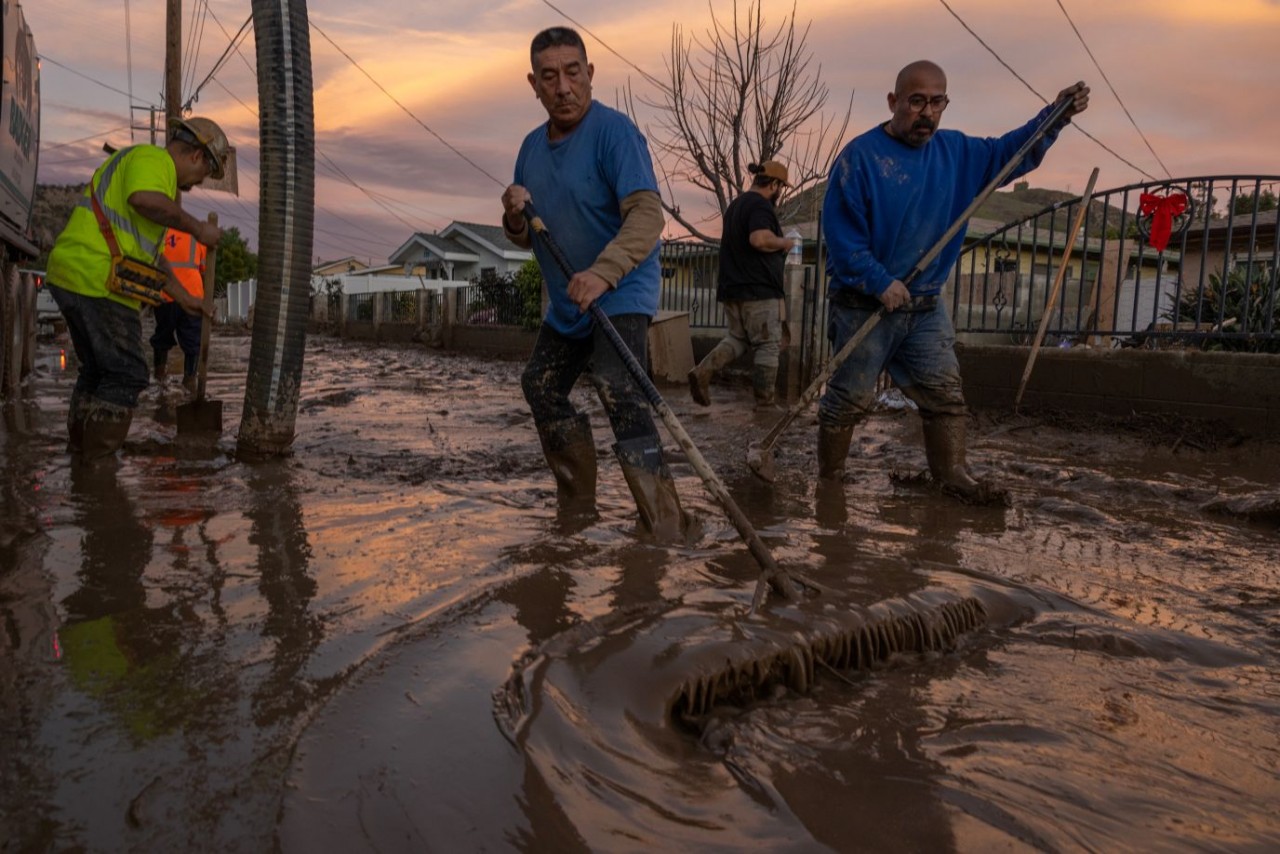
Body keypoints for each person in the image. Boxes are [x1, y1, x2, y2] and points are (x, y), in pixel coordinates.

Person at [819, 61, 1089, 499]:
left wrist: (1055, 116)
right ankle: (829, 480)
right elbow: (842, 238)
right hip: (863, 303)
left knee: (944, 395)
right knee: (847, 400)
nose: (927, 112)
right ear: (894, 102)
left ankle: (952, 474)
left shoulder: (958, 154)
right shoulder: (860, 159)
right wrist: (878, 281)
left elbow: (1013, 151)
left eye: (937, 102)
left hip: (924, 306)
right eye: (916, 101)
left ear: (946, 103)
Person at [500, 26, 687, 539]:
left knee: (617, 385)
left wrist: (604, 273)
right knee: (539, 386)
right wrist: (513, 213)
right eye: (549, 76)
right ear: (533, 84)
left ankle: (664, 522)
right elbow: (523, 239)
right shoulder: (530, 149)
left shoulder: (615, 133)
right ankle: (578, 507)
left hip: (620, 287)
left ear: (590, 74)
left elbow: (648, 218)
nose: (563, 87)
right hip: (569, 300)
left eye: (573, 72)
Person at [46, 116, 227, 463]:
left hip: (74, 273)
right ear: (197, 156)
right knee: (127, 373)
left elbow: (154, 259)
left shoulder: (146, 169)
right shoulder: (154, 161)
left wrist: (187, 297)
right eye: (206, 172)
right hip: (97, 278)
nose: (201, 180)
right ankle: (97, 469)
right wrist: (197, 229)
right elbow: (143, 199)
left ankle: (81, 455)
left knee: (98, 372)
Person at [687, 160, 796, 409]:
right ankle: (765, 404)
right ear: (775, 184)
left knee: (738, 338)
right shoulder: (760, 205)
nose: (780, 192)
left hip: (733, 288)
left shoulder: (736, 205)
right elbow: (758, 239)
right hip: (759, 291)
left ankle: (703, 371)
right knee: (768, 344)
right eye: (781, 186)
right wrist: (783, 243)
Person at [151, 227, 209, 393]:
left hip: (165, 294)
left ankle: (159, 378)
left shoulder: (160, 233)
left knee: (162, 337)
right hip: (192, 297)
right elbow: (204, 270)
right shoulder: (196, 237)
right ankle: (190, 381)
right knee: (193, 341)